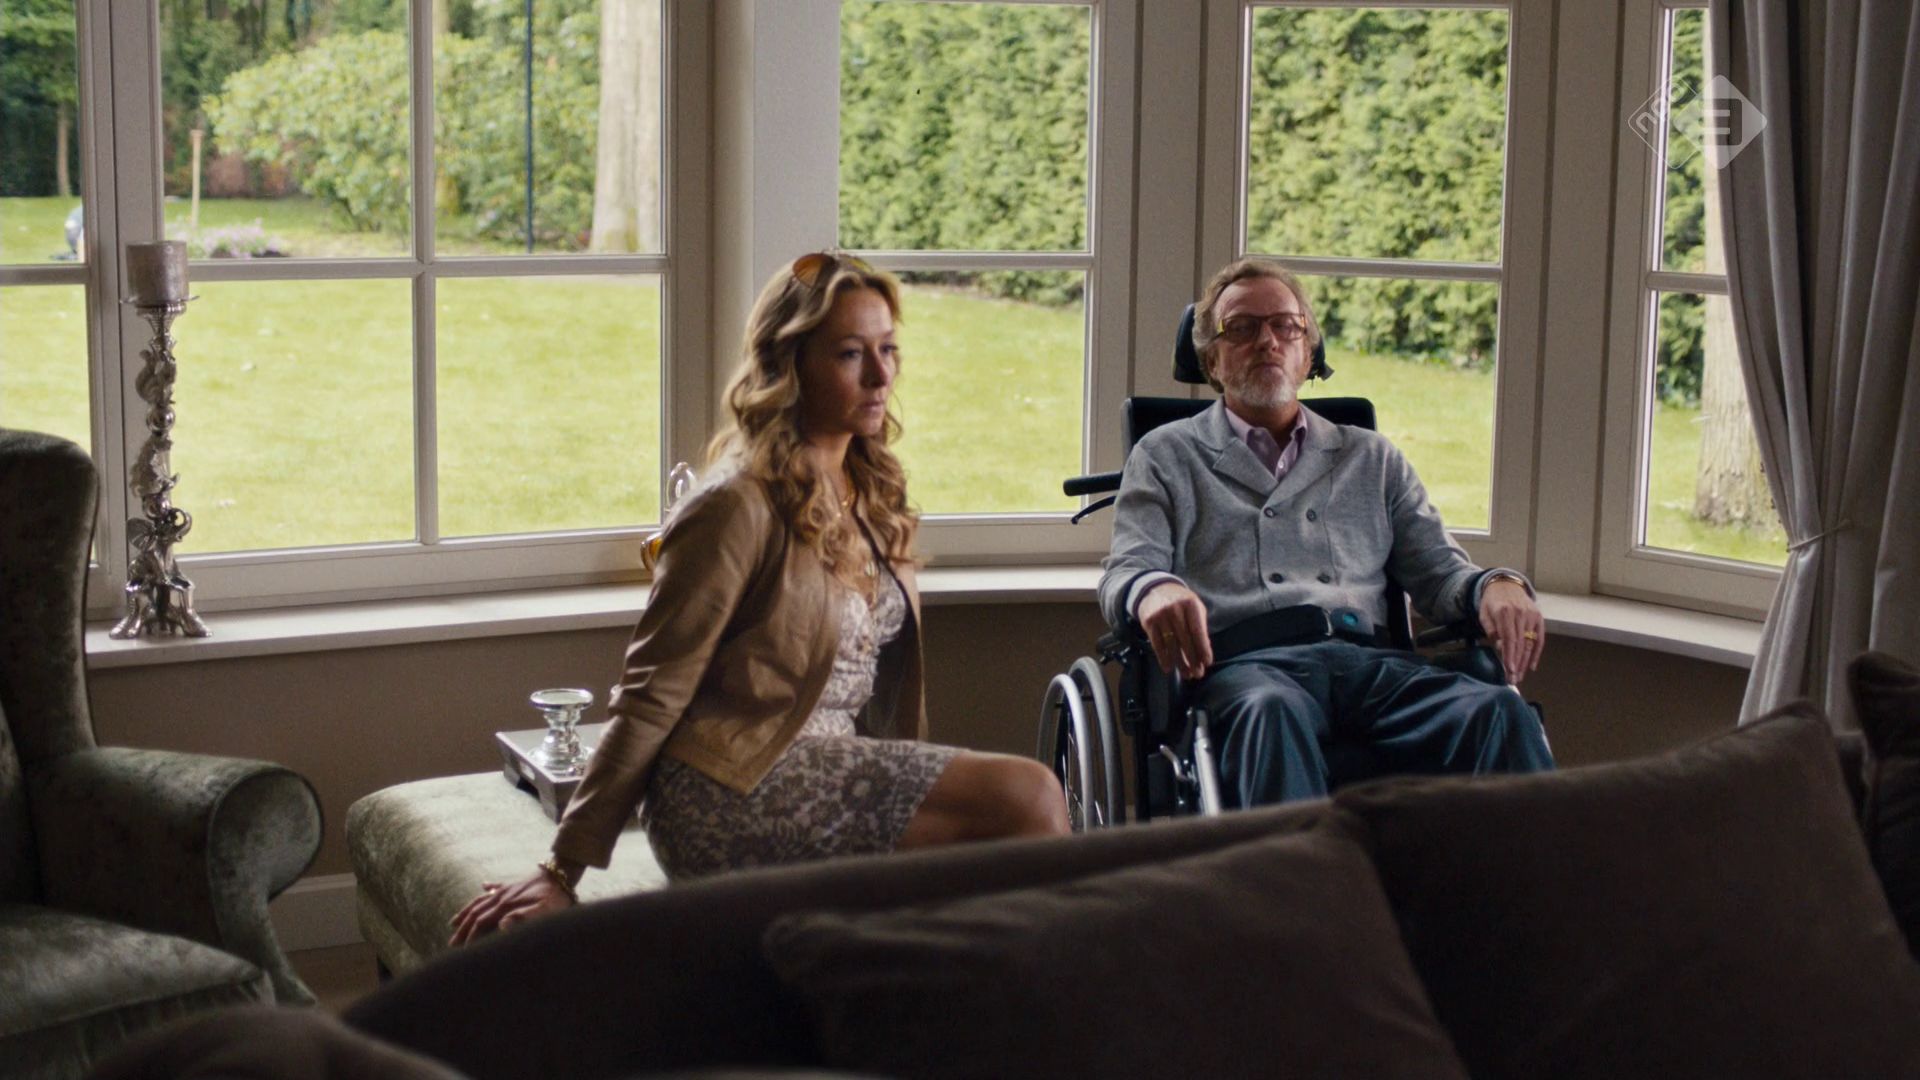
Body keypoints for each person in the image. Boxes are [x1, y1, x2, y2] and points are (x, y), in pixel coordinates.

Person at [452, 253, 1068, 943]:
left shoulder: (870, 491)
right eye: (851, 354)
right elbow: (651, 690)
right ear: (790, 364)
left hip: (830, 770)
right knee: (1031, 795)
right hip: (728, 788)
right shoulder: (733, 504)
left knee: (1005, 840)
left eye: (889, 349)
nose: (881, 375)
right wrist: (563, 868)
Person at [1100, 258, 1554, 807]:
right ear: (1212, 360)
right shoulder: (1166, 454)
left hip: (1371, 665)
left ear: (1308, 353)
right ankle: (1304, 867)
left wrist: (1498, 584)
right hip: (1247, 670)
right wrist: (1153, 589)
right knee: (1271, 712)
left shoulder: (1371, 457)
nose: (1267, 341)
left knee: (1497, 711)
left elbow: (1441, 574)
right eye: (1241, 328)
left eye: (1286, 326)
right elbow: (1128, 568)